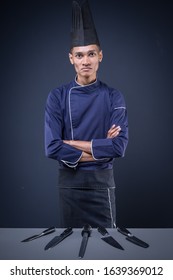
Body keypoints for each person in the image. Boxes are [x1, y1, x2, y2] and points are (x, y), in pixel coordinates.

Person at [45, 0, 128, 228]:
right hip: (69, 184)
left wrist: (69, 143)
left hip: (102, 183)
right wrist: (102, 149)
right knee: (70, 249)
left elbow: (119, 147)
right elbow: (51, 147)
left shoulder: (114, 96)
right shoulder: (57, 96)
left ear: (100, 56)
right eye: (79, 56)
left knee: (104, 247)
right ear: (71, 58)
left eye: (91, 54)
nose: (85, 61)